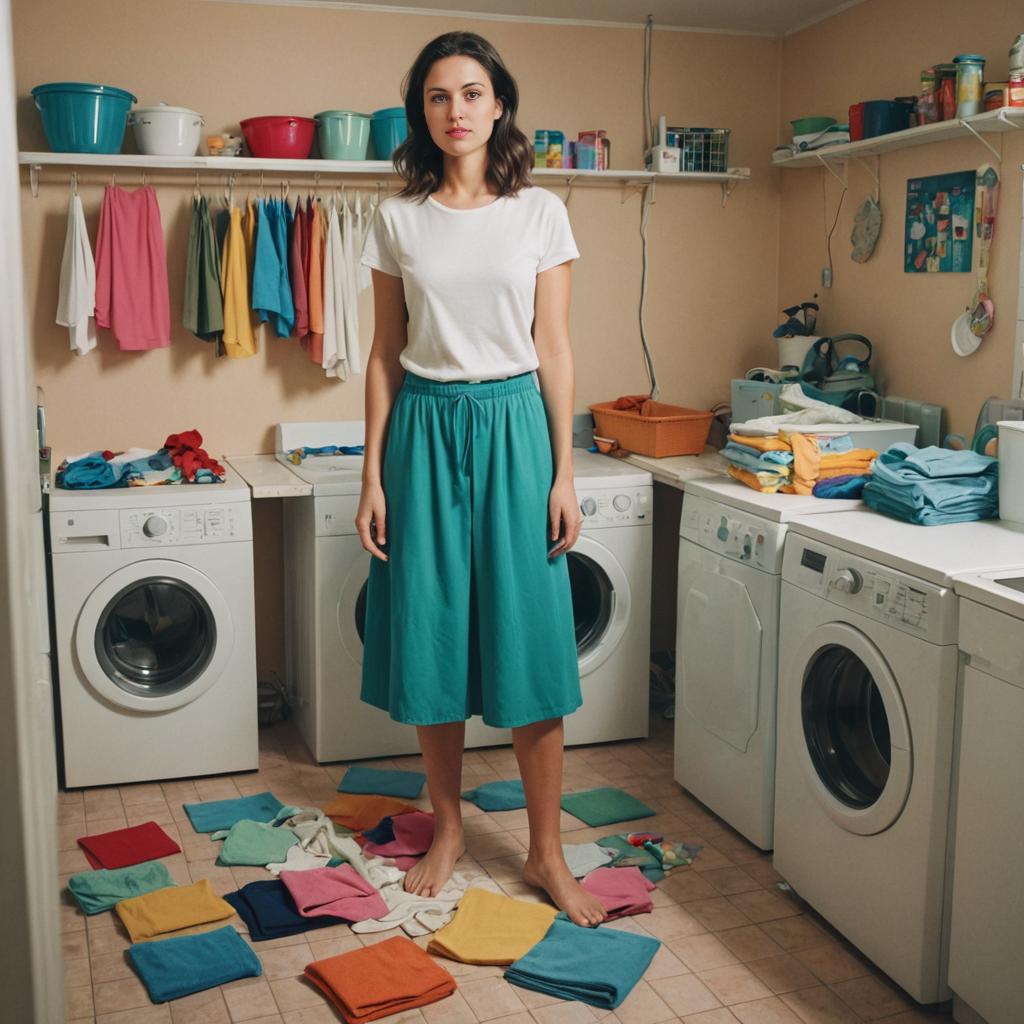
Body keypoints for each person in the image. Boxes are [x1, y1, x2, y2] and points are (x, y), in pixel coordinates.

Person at [355, 30, 606, 928]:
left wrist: (564, 468)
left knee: (531, 646)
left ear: (498, 104)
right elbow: (384, 355)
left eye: (470, 93)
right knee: (430, 636)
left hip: (514, 432)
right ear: (420, 113)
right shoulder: (396, 219)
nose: (454, 111)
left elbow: (554, 348)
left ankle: (547, 851)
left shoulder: (540, 214)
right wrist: (372, 474)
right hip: (423, 427)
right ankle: (450, 827)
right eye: (435, 97)